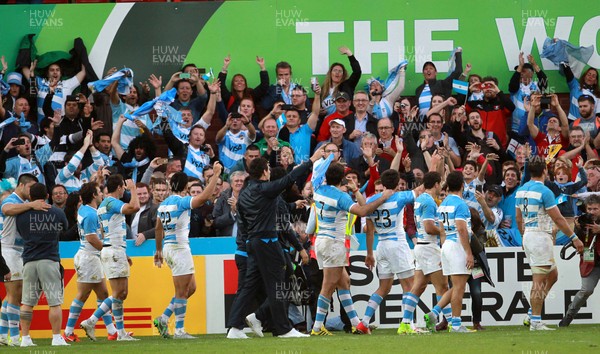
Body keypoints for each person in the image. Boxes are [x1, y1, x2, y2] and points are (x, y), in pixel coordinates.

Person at [226, 149, 324, 339]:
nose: (270, 171)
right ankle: (283, 329)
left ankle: (235, 328)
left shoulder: (245, 194)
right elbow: (289, 179)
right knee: (280, 285)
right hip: (267, 242)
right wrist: (311, 160)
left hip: (252, 243)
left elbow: (245, 221)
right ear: (264, 172)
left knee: (249, 286)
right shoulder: (265, 190)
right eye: (268, 168)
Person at [310, 162, 393, 336]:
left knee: (344, 281)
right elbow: (363, 212)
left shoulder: (318, 188)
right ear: (342, 179)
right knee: (327, 286)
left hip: (321, 241)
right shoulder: (341, 197)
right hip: (334, 244)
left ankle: (356, 323)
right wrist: (383, 197)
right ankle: (317, 327)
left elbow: (317, 172)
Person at [153, 163, 223, 339]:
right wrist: (215, 176)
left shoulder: (163, 205)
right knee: (182, 291)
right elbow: (203, 198)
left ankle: (163, 317)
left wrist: (159, 250)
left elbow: (158, 228)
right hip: (179, 248)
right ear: (185, 187)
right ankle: (179, 330)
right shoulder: (181, 202)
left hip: (170, 248)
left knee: (190, 288)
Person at [515, 157, 584, 330]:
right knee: (538, 281)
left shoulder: (521, 190)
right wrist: (574, 238)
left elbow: (518, 218)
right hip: (539, 237)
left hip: (529, 235)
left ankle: (532, 313)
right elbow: (558, 219)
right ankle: (536, 321)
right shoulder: (545, 191)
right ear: (545, 170)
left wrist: (523, 236)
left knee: (552, 276)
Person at [357, 169, 420, 334]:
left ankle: (364, 322)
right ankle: (407, 324)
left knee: (383, 288)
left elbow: (369, 232)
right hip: (397, 244)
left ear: (382, 184)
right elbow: (420, 190)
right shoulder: (399, 197)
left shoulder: (371, 200)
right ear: (398, 183)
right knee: (410, 285)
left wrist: (369, 253)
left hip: (381, 246)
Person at [79, 175, 140, 341]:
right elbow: (134, 207)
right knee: (119, 292)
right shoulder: (111, 202)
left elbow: (107, 231)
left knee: (122, 294)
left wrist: (123, 252)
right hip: (113, 250)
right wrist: (133, 189)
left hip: (113, 248)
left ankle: (120, 333)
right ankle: (91, 320)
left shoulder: (104, 205)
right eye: (123, 187)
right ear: (120, 187)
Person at [15, 183, 69, 347]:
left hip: (29, 261)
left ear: (30, 197)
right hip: (49, 260)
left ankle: (25, 338)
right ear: (47, 195)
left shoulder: (22, 216)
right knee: (54, 302)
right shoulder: (57, 212)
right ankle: (56, 337)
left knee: (27, 303)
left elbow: (21, 232)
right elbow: (65, 229)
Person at [62, 182, 117, 343]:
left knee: (103, 294)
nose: (101, 194)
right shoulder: (91, 214)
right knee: (82, 295)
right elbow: (91, 238)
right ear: (93, 195)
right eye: (99, 191)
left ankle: (112, 331)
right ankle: (68, 331)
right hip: (89, 257)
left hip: (88, 256)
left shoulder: (84, 210)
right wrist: (107, 250)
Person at [399, 172, 452, 333]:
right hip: (429, 247)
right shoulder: (429, 202)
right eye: (440, 183)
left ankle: (405, 323)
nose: (441, 185)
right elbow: (429, 227)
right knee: (442, 287)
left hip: (421, 247)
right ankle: (450, 322)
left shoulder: (420, 198)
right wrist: (444, 231)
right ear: (436, 184)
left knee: (418, 286)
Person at [424, 171, 475, 333]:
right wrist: (468, 252)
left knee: (456, 285)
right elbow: (461, 229)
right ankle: (456, 324)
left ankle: (434, 313)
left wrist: (443, 252)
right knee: (459, 287)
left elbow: (442, 231)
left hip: (446, 246)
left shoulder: (443, 204)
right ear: (462, 185)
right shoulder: (461, 205)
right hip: (457, 246)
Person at [0, 173, 45, 346]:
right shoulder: (10, 199)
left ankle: (3, 335)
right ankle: (14, 336)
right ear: (22, 185)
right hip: (8, 250)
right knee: (15, 294)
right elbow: (7, 210)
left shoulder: (25, 203)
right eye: (31, 187)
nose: (33, 190)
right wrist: (31, 205)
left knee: (11, 295)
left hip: (18, 251)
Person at [559, 195, 600, 327]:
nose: (592, 212)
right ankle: (569, 316)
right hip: (591, 259)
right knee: (586, 290)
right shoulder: (582, 220)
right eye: (589, 209)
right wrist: (576, 228)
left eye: (595, 209)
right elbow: (576, 240)